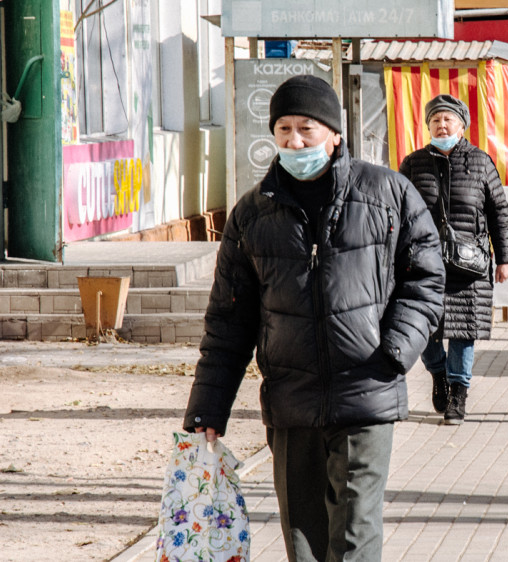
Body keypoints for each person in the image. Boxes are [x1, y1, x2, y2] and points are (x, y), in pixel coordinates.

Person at [183, 75, 445, 562]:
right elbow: (228, 320)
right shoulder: (252, 214)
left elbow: (426, 278)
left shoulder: (387, 193)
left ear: (335, 134)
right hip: (291, 399)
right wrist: (207, 409)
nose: (295, 140)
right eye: (283, 129)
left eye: (307, 128)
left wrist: (394, 352)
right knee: (303, 540)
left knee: (354, 533)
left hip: (367, 390)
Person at [398, 94, 508, 424]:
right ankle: (438, 373)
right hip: (422, 262)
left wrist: (505, 259)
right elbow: (397, 210)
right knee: (422, 325)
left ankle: (458, 395)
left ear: (462, 125)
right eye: (435, 119)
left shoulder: (480, 162)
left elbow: (499, 213)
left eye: (448, 119)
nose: (442, 124)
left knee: (463, 331)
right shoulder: (413, 163)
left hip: (470, 265)